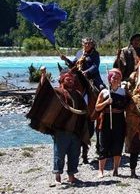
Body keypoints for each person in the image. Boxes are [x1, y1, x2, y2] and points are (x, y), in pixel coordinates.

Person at [41, 68, 90, 185]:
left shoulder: (77, 94)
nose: (70, 81)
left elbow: (84, 110)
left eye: (72, 80)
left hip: (75, 131)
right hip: (61, 130)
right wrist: (43, 75)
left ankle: (71, 176)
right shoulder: (57, 92)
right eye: (68, 79)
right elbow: (44, 92)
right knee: (59, 154)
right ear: (62, 80)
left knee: (74, 154)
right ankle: (57, 177)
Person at [60, 37, 104, 165]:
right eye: (85, 43)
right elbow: (74, 65)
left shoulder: (95, 54)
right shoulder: (79, 53)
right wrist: (66, 60)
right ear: (82, 44)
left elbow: (95, 67)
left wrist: (86, 72)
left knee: (104, 91)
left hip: (93, 78)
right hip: (80, 77)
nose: (87, 45)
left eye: (89, 43)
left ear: (92, 44)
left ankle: (104, 112)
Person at [95, 68, 129, 178]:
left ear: (120, 80)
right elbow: (97, 107)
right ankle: (101, 171)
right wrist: (106, 102)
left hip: (119, 120)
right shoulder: (104, 92)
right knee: (103, 145)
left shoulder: (123, 92)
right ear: (110, 79)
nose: (115, 79)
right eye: (113, 77)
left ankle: (116, 170)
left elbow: (128, 106)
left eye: (118, 78)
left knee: (118, 146)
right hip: (106, 120)